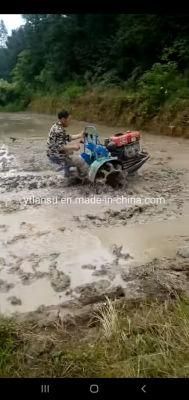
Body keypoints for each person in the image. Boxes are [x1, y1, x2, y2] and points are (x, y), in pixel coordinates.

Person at [47, 110, 88, 176]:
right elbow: (60, 147)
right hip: (56, 156)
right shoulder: (59, 130)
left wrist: (80, 135)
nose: (70, 122)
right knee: (81, 162)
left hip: (51, 154)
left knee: (70, 153)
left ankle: (67, 173)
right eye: (69, 119)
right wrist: (74, 147)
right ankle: (84, 179)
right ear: (63, 119)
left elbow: (67, 137)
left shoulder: (55, 126)